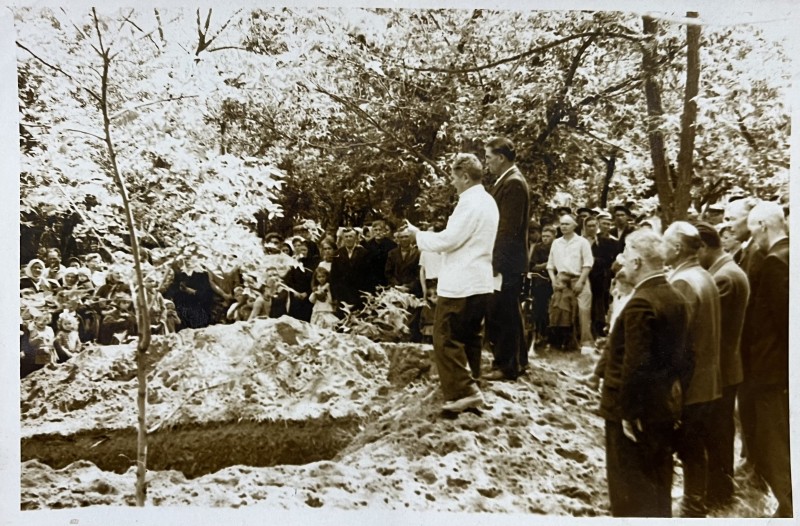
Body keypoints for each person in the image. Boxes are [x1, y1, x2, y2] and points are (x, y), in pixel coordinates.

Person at [600, 229, 689, 517]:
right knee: (658, 485)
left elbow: (635, 365)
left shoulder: (641, 302)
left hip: (633, 413)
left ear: (637, 262)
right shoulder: (675, 297)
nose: (621, 260)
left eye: (625, 255)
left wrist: (628, 413)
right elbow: (685, 359)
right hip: (662, 407)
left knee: (629, 490)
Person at [404, 153, 499, 413]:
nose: (452, 182)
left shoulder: (470, 203)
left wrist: (418, 235)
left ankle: (465, 391)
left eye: (454, 177)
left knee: (445, 337)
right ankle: (472, 386)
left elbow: (449, 240)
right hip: (480, 281)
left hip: (461, 282)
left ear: (465, 177)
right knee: (470, 338)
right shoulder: (488, 201)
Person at [663, 221, 722, 517]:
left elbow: (678, 343)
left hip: (691, 383)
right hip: (707, 379)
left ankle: (693, 507)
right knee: (694, 447)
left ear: (676, 248)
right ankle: (695, 503)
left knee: (688, 447)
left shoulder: (683, 282)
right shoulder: (704, 275)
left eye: (664, 242)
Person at [694, 221, 750, 509]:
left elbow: (710, 330)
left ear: (703, 247)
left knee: (716, 434)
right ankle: (717, 490)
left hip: (720, 370)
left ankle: (717, 493)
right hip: (725, 368)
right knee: (719, 432)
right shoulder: (726, 271)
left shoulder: (724, 277)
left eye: (695, 252)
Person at [741, 201, 792, 517]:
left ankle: (789, 507)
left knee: (774, 441)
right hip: (778, 370)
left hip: (773, 371)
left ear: (763, 226)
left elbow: (786, 323)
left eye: (752, 231)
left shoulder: (776, 261)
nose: (753, 239)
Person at [483, 137, 530, 381]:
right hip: (507, 259)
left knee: (501, 311)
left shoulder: (513, 184)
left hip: (506, 260)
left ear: (501, 158)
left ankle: (506, 365)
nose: (486, 162)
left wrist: (496, 262)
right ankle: (518, 361)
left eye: (489, 157)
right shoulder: (508, 180)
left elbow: (507, 229)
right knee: (509, 310)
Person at [546, 214, 594, 350]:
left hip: (579, 278)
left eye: (567, 224)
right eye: (562, 224)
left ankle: (586, 342)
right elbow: (550, 265)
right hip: (561, 280)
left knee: (583, 309)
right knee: (559, 309)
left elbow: (588, 264)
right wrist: (553, 280)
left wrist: (581, 282)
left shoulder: (582, 242)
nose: (564, 226)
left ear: (574, 226)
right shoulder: (556, 243)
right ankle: (561, 343)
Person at [583, 215, 618, 338]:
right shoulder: (580, 241)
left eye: (594, 226)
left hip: (599, 276)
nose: (592, 228)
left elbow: (608, 260)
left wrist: (593, 260)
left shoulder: (605, 242)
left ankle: (598, 329)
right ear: (585, 227)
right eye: (589, 226)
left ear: (597, 226)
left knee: (599, 304)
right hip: (583, 275)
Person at [329, 227, 371, 314]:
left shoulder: (364, 253)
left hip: (359, 294)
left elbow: (368, 275)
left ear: (355, 238)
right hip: (343, 294)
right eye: (346, 237)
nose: (348, 239)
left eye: (351, 236)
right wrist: (335, 296)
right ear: (343, 238)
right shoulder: (338, 253)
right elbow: (334, 276)